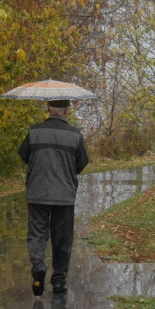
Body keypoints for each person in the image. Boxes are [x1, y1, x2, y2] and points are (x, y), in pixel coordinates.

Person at [18, 99, 89, 296]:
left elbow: (24, 155)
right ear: (67, 110)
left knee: (37, 234)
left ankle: (38, 266)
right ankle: (58, 282)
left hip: (37, 192)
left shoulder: (34, 131)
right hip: (64, 196)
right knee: (63, 239)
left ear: (48, 108)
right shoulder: (75, 134)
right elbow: (82, 162)